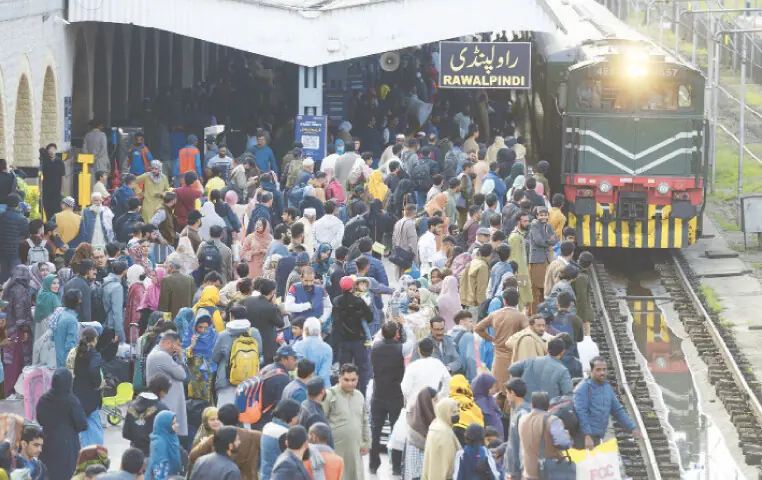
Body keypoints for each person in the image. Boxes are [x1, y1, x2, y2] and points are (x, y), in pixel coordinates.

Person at [575, 357, 641, 449]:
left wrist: (632, 428)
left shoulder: (606, 387)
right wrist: (587, 435)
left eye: (604, 369)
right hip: (583, 438)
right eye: (598, 370)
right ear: (592, 370)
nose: (602, 373)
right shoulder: (583, 388)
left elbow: (617, 410)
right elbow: (581, 413)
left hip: (597, 436)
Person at [36, 369, 88, 480]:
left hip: (47, 443)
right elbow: (82, 424)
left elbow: (40, 420)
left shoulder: (44, 399)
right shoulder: (71, 401)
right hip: (67, 446)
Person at [322, 363, 370, 480]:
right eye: (346, 380)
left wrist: (367, 442)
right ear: (339, 378)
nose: (350, 383)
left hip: (355, 448)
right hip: (335, 448)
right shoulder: (330, 395)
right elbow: (322, 421)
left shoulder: (359, 396)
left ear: (358, 379)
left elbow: (364, 420)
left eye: (353, 380)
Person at [369, 321, 405, 474]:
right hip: (395, 395)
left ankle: (372, 464)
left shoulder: (375, 346)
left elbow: (378, 335)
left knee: (375, 431)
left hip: (378, 394)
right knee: (395, 430)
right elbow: (411, 339)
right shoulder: (401, 348)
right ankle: (396, 466)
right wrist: (404, 325)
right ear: (397, 334)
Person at [189, 404, 261, 480]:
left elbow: (193, 456)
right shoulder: (254, 436)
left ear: (220, 419)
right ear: (238, 417)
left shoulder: (215, 438)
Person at [475, 289, 527, 392]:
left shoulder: (495, 314)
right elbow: (528, 331)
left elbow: (478, 328)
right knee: (513, 390)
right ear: (517, 301)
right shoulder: (520, 317)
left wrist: (491, 339)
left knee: (497, 390)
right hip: (515, 357)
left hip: (498, 356)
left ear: (504, 301)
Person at [331, 276, 374, 393]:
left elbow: (335, 321)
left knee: (344, 368)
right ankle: (361, 393)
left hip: (343, 341)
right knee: (362, 368)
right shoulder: (358, 301)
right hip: (358, 341)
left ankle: (344, 392)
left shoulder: (337, 302)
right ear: (353, 286)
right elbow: (369, 317)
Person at [518, 392, 573, 480]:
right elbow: (563, 443)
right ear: (548, 406)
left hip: (529, 471)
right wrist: (567, 435)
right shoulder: (552, 420)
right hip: (549, 471)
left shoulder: (522, 419)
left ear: (532, 405)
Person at [145, 331, 188, 438]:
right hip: (169, 403)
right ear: (169, 343)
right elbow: (182, 374)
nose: (178, 348)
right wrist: (181, 356)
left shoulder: (157, 353)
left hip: (167, 402)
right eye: (177, 345)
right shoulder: (161, 356)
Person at [1, 264, 33, 394]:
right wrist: (24, 329)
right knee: (15, 360)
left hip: (8, 328)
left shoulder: (10, 287)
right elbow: (20, 312)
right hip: (16, 330)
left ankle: (7, 389)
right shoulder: (19, 289)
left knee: (8, 360)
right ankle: (10, 390)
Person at [252, 345, 299, 431]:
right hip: (266, 423)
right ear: (284, 359)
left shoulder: (267, 368)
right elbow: (281, 407)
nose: (296, 361)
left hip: (256, 418)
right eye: (294, 358)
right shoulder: (281, 378)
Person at [122, 373, 170, 455]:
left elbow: (126, 433)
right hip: (154, 454)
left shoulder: (132, 406)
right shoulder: (162, 409)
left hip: (134, 454)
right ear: (162, 391)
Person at [73, 327, 104, 447]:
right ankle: (97, 453)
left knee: (82, 427)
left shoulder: (76, 353)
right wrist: (97, 384)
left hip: (77, 393)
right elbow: (93, 370)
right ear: (95, 340)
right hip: (91, 396)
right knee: (95, 426)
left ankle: (83, 452)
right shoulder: (94, 355)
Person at [243, 279, 285, 368]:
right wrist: (276, 305)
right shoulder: (271, 308)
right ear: (272, 292)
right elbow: (281, 324)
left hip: (249, 341)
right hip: (266, 346)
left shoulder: (248, 300)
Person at [259, 399, 300, 480]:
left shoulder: (267, 426)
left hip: (265, 474)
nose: (298, 418)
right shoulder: (285, 434)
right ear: (291, 416)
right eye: (297, 415)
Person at [184, 310, 219, 405]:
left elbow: (218, 355)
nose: (203, 330)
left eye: (206, 328)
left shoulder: (214, 336)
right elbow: (184, 357)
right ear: (195, 326)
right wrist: (192, 345)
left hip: (211, 375)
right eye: (200, 327)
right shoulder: (190, 336)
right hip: (194, 378)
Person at [421, 398, 461, 480]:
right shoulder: (444, 433)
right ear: (444, 412)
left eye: (458, 411)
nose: (457, 415)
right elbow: (443, 465)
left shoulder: (436, 425)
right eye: (453, 412)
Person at [528, 207, 558, 310]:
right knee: (536, 288)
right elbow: (539, 241)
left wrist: (549, 240)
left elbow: (556, 239)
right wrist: (549, 240)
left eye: (545, 215)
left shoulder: (548, 226)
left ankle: (543, 312)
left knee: (546, 287)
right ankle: (534, 313)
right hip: (537, 260)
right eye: (541, 215)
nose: (543, 217)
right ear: (537, 216)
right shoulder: (534, 225)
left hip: (547, 260)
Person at [293, 317, 332, 386]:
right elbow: (324, 374)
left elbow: (295, 371)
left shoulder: (297, 346)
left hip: (302, 387)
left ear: (305, 330)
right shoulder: (327, 348)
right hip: (323, 389)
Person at [146, 411, 183, 480]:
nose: (177, 425)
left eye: (176, 422)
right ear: (165, 425)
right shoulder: (159, 443)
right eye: (173, 423)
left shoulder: (170, 435)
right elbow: (159, 473)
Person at [0, 194, 29, 283]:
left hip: (2, 250)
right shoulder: (22, 219)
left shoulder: (1, 216)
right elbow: (26, 234)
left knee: (3, 274)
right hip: (15, 250)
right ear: (18, 204)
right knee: (15, 276)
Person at [460, 244, 492, 317]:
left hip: (466, 301)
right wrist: (483, 306)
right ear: (490, 254)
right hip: (475, 304)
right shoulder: (483, 266)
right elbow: (481, 289)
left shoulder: (473, 261)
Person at [471, 373, 504, 440]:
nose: (493, 389)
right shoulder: (479, 404)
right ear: (483, 387)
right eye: (491, 387)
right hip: (489, 440)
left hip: (497, 437)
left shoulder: (489, 398)